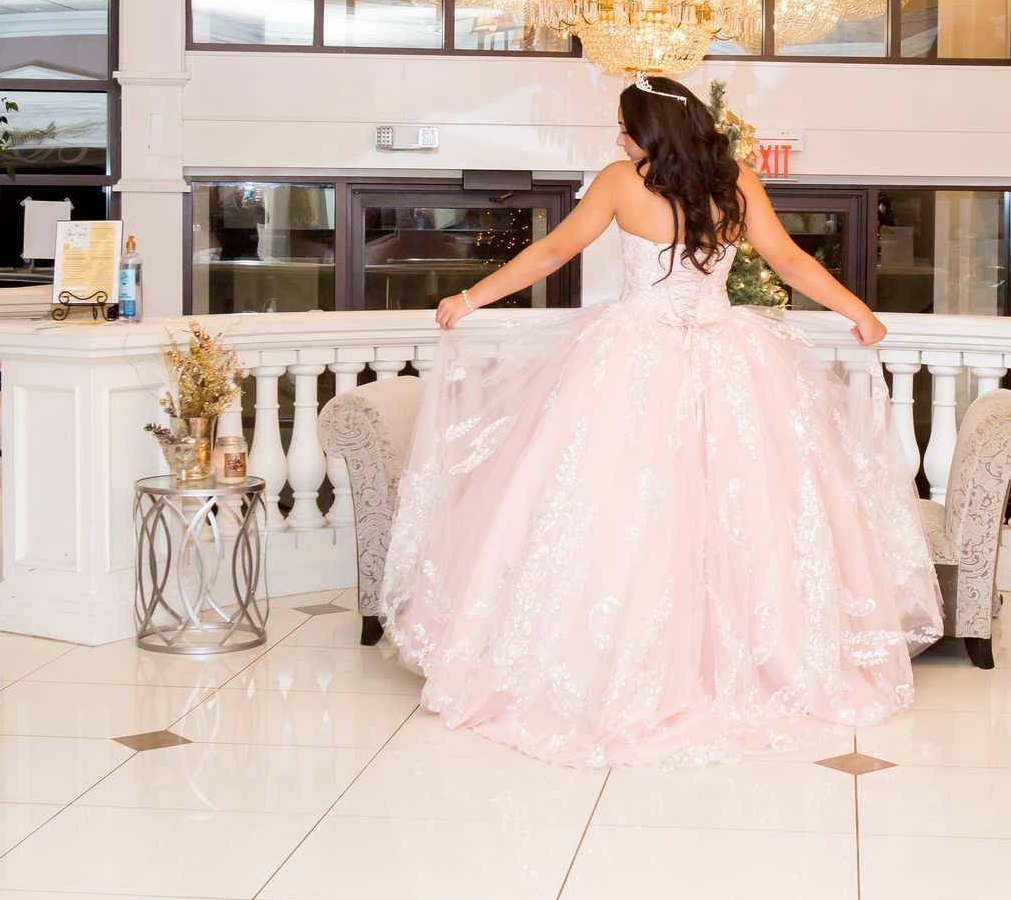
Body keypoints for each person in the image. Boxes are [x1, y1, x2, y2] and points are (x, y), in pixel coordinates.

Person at [380, 74, 940, 768]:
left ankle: (616, 664)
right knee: (735, 508)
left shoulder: (621, 179)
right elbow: (790, 260)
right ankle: (743, 663)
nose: (616, 136)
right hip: (727, 355)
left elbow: (553, 251)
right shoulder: (735, 181)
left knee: (619, 504)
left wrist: (471, 294)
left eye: (623, 124)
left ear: (647, 131)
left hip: (633, 357)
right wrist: (857, 308)